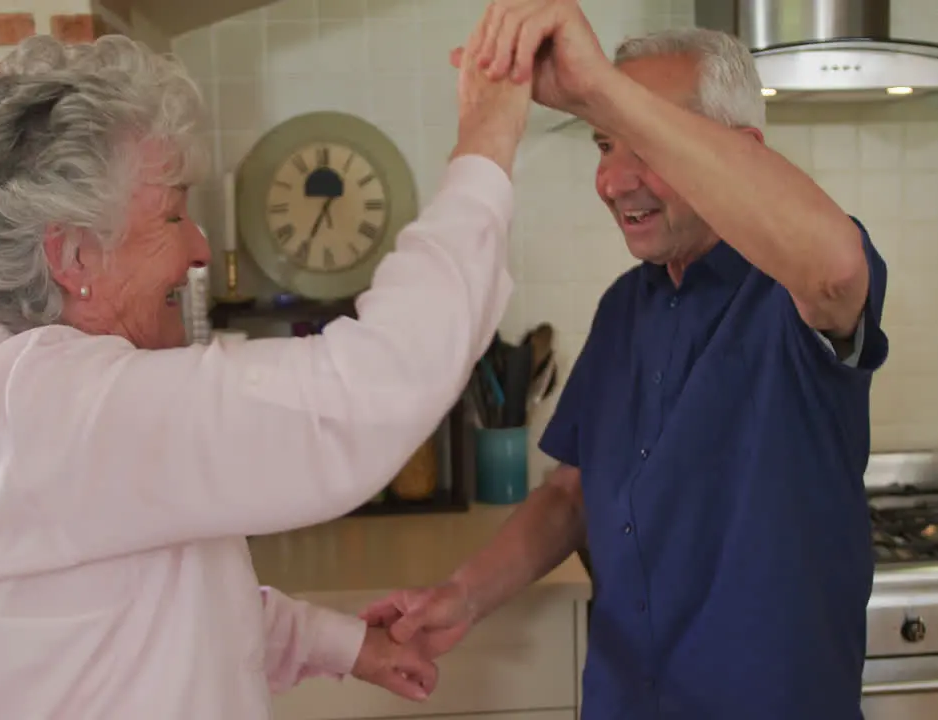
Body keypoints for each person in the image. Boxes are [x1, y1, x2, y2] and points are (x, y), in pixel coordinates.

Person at [0, 27, 532, 719]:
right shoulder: (43, 405)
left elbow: (165, 597)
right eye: (171, 213)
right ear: (73, 257)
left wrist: (344, 646)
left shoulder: (25, 410)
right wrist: (485, 144)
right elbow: (363, 392)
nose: (198, 246)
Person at [362, 2, 889, 718]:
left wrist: (602, 86)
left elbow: (833, 270)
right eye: (605, 144)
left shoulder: (795, 293)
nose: (612, 182)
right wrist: (463, 593)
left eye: (647, 145)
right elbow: (572, 495)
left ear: (743, 151)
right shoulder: (624, 307)